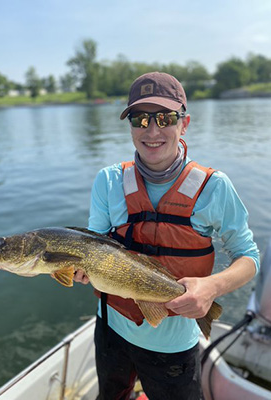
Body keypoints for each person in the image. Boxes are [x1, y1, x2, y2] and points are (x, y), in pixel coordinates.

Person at [74, 72, 260, 400]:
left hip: (174, 345)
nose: (152, 130)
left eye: (164, 118)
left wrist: (213, 288)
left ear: (184, 123)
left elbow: (249, 257)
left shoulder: (215, 188)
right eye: (139, 118)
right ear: (130, 125)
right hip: (110, 328)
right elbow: (93, 246)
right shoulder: (107, 180)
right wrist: (76, 269)